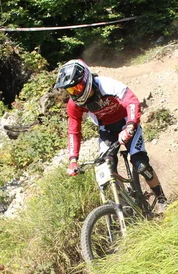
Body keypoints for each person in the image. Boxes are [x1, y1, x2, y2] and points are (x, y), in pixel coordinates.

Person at [54, 59, 167, 209]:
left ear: (86, 79)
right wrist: (73, 159)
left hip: (127, 123)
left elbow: (131, 101)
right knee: (107, 168)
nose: (75, 93)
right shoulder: (74, 104)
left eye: (77, 87)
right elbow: (74, 130)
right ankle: (125, 202)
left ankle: (162, 199)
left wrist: (130, 126)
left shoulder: (107, 85)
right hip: (106, 130)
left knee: (141, 165)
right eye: (71, 90)